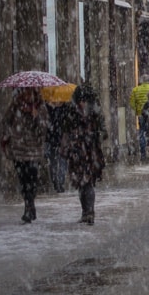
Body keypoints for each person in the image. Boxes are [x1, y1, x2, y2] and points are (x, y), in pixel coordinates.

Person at [1, 87, 48, 224]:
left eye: (29, 92)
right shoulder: (15, 105)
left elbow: (43, 129)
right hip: (19, 150)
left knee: (32, 180)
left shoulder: (40, 106)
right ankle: (28, 207)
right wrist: (11, 134)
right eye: (25, 92)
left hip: (33, 150)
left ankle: (30, 205)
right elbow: (6, 121)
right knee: (23, 180)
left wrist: (37, 117)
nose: (27, 95)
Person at [63, 84, 105, 224]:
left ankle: (89, 212)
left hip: (88, 151)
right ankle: (86, 211)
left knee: (87, 182)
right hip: (79, 152)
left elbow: (102, 132)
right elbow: (66, 130)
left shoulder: (93, 112)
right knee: (81, 183)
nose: (82, 103)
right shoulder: (73, 111)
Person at [45, 97, 73, 194]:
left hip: (62, 141)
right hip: (51, 140)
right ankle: (55, 183)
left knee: (62, 162)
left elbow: (68, 124)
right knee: (52, 162)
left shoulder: (66, 109)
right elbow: (46, 123)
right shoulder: (47, 108)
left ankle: (60, 183)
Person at [129, 75, 149, 156]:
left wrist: (137, 110)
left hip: (140, 114)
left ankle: (143, 151)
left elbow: (132, 103)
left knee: (142, 132)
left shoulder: (136, 90)